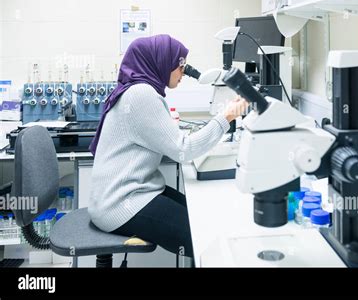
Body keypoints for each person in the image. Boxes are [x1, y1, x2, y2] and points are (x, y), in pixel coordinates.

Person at [88, 34, 248, 259]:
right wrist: (227, 116)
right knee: (203, 236)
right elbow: (184, 150)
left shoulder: (137, 90)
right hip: (120, 204)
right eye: (180, 64)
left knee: (201, 215)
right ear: (160, 61)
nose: (183, 71)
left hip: (130, 192)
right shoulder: (141, 94)